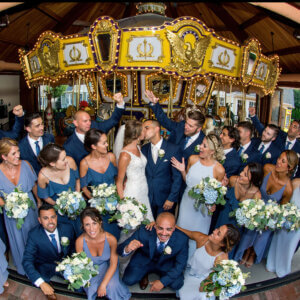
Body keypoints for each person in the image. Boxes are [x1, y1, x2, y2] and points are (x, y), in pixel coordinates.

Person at [234, 150, 297, 267]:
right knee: (250, 231)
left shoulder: (288, 188)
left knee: (263, 235)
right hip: (255, 205)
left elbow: (281, 210)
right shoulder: (268, 168)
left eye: (283, 161)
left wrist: (270, 220)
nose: (278, 162)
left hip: (269, 215)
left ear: (289, 167)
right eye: (279, 158)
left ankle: (253, 254)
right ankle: (246, 250)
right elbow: (256, 183)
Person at [171, 134, 225, 261]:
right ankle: (177, 259)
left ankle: (192, 261)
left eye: (204, 146)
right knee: (182, 230)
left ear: (212, 151)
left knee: (198, 235)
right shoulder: (193, 159)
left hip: (202, 210)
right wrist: (183, 171)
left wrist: (213, 205)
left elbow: (217, 194)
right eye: (201, 144)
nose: (200, 147)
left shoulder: (219, 170)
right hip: (187, 203)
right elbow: (188, 181)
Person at [117, 212, 189, 292]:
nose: (164, 233)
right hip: (144, 260)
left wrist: (162, 282)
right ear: (155, 226)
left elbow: (181, 265)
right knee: (128, 280)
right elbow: (119, 249)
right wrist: (127, 248)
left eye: (168, 229)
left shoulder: (182, 239)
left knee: (177, 284)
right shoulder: (143, 231)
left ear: (174, 228)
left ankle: (162, 277)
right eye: (160, 228)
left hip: (166, 263)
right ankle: (144, 274)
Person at [0, 138, 40, 275]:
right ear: (4, 157)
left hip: (30, 209)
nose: (18, 155)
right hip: (11, 214)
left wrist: (39, 202)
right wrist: (9, 205)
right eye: (13, 154)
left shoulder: (26, 165)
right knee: (18, 239)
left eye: (18, 151)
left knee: (33, 235)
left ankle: (37, 265)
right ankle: (25, 268)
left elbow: (34, 185)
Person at [22, 203, 76, 300]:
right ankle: (46, 285)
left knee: (79, 288)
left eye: (53, 217)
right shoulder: (33, 235)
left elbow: (73, 248)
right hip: (45, 265)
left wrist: (73, 263)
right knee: (37, 280)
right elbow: (26, 261)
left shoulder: (68, 228)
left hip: (65, 263)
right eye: (45, 218)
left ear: (56, 217)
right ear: (39, 220)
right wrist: (42, 284)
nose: (50, 221)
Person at [76, 207, 131, 300]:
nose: (91, 228)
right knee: (92, 288)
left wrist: (103, 285)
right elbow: (81, 265)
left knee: (111, 286)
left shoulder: (111, 239)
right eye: (87, 224)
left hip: (108, 266)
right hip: (91, 269)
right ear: (83, 226)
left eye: (94, 223)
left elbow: (113, 264)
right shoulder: (80, 241)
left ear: (100, 222)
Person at [177, 224, 240, 300]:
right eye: (217, 228)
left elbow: (206, 285)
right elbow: (187, 233)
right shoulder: (202, 239)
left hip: (205, 281)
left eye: (218, 233)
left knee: (202, 296)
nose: (214, 231)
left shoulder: (221, 259)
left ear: (222, 244)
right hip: (189, 273)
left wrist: (203, 287)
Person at [215, 163, 263, 258]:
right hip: (223, 218)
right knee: (216, 239)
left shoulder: (256, 196)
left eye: (245, 175)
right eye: (242, 171)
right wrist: (221, 187)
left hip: (236, 227)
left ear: (253, 180)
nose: (241, 174)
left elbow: (252, 221)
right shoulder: (233, 180)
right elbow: (219, 197)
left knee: (228, 249)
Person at [64, 93, 125, 167]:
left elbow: (112, 121)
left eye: (89, 120)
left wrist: (120, 103)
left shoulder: (96, 126)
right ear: (75, 123)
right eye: (85, 121)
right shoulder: (69, 146)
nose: (89, 123)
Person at [80, 128, 120, 240]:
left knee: (115, 235)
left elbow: (118, 179)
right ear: (93, 146)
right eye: (104, 143)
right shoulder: (85, 163)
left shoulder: (111, 157)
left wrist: (118, 197)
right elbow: (84, 188)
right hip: (97, 210)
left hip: (115, 205)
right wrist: (97, 202)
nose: (107, 144)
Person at [144, 89, 205, 163]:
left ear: (199, 129)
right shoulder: (180, 126)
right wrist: (155, 104)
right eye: (186, 123)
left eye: (190, 126)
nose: (186, 126)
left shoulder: (204, 141)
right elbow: (165, 121)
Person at [37, 143, 82, 237]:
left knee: (81, 231)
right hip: (60, 213)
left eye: (65, 156)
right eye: (63, 159)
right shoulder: (42, 176)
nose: (66, 160)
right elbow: (45, 197)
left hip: (77, 207)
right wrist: (61, 206)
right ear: (52, 163)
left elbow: (77, 179)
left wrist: (77, 197)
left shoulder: (70, 161)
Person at [141, 119, 182, 218]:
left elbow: (177, 177)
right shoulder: (143, 149)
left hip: (165, 199)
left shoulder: (173, 149)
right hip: (147, 198)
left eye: (146, 128)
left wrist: (171, 198)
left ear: (157, 129)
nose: (143, 131)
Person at [115, 120, 154, 222]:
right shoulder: (125, 155)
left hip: (143, 189)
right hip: (133, 191)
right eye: (143, 130)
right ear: (136, 134)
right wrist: (124, 204)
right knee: (134, 221)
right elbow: (119, 182)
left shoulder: (138, 147)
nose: (145, 132)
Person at [249, 106, 300, 177]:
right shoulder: (280, 135)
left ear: (299, 133)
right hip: (270, 173)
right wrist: (253, 116)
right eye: (291, 125)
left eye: (294, 127)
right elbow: (263, 130)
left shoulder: (299, 147)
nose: (291, 127)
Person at [266, 177, 300, 278]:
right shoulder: (295, 182)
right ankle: (271, 264)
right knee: (277, 240)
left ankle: (283, 268)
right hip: (286, 219)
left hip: (298, 225)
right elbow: (286, 200)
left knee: (290, 245)